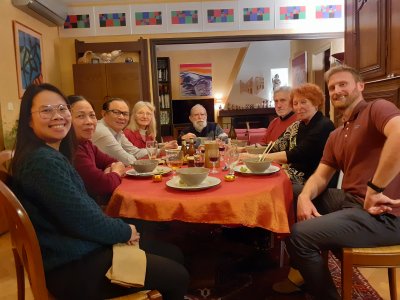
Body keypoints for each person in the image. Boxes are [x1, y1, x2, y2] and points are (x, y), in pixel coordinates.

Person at [10, 83, 190, 300]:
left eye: (62, 109)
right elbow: (84, 220)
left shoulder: (48, 155)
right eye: (46, 110)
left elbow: (81, 213)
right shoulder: (42, 162)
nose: (57, 116)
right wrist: (125, 232)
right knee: (177, 274)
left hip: (76, 250)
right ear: (29, 120)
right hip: (72, 268)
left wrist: (123, 230)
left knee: (171, 251)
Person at [284, 65, 400, 299]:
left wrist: (375, 188)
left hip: (386, 214)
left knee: (299, 236)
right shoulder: (337, 134)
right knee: (291, 192)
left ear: (360, 86)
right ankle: (305, 268)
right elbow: (320, 176)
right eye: (332, 87)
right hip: (352, 203)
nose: (337, 90)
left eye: (343, 84)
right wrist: (305, 197)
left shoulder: (377, 108)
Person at [263, 83, 335, 185]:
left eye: (303, 102)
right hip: (290, 175)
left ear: (316, 103)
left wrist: (255, 158)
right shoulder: (297, 125)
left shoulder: (324, 125)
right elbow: (275, 146)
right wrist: (247, 152)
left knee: (264, 183)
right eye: (295, 103)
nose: (298, 107)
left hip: (310, 183)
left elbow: (295, 154)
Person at [68, 95, 124, 203]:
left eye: (92, 115)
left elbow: (113, 161)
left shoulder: (86, 144)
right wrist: (115, 172)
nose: (89, 121)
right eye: (80, 116)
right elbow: (103, 185)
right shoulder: (73, 150)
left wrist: (106, 175)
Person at [92, 97, 148, 165]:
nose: (122, 117)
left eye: (125, 114)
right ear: (104, 114)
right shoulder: (101, 131)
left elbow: (135, 152)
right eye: (116, 112)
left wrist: (160, 150)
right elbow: (126, 159)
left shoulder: (118, 131)